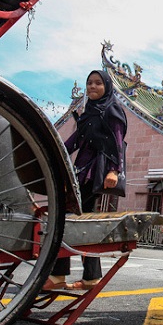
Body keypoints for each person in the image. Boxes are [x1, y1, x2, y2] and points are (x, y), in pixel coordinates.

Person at [43, 69, 128, 291]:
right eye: (89, 83)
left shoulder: (112, 110)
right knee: (80, 223)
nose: (92, 86)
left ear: (107, 87)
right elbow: (74, 141)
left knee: (68, 220)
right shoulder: (88, 112)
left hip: (95, 173)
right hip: (80, 171)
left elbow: (117, 142)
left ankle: (59, 275)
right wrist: (51, 150)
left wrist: (114, 171)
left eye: (98, 83)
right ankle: (90, 277)